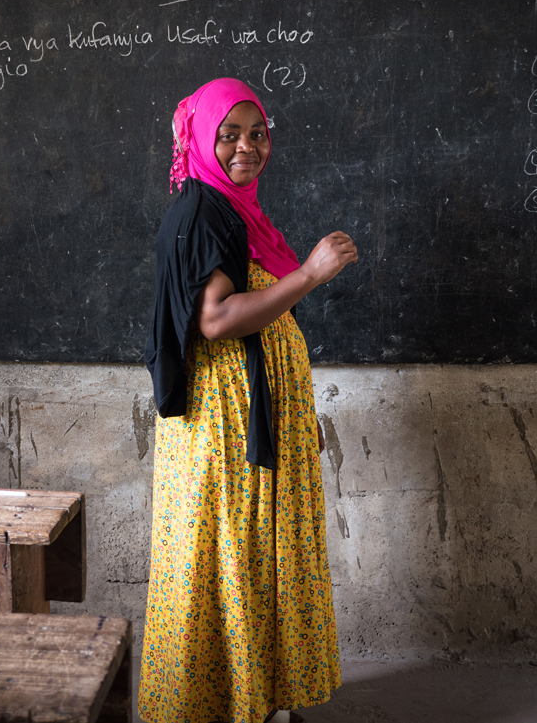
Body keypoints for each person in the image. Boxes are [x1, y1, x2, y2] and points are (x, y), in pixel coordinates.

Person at [141, 78, 358, 723]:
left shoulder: (235, 211)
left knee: (248, 557)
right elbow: (216, 318)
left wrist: (293, 410)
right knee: (231, 556)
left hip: (251, 417)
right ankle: (228, 705)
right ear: (202, 140)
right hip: (226, 428)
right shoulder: (204, 210)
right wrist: (310, 274)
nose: (246, 147)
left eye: (256, 133)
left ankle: (252, 699)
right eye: (229, 135)